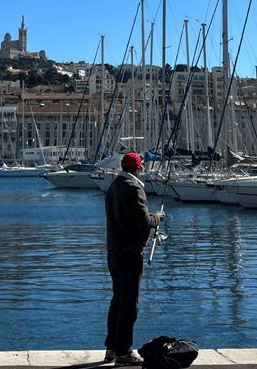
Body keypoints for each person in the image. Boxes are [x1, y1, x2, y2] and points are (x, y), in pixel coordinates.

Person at [104, 152, 165, 366]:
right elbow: (144, 220)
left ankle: (111, 349)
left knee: (117, 301)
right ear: (138, 169)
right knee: (130, 304)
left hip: (113, 253)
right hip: (130, 254)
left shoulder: (112, 187)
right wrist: (158, 217)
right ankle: (124, 352)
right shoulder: (134, 187)